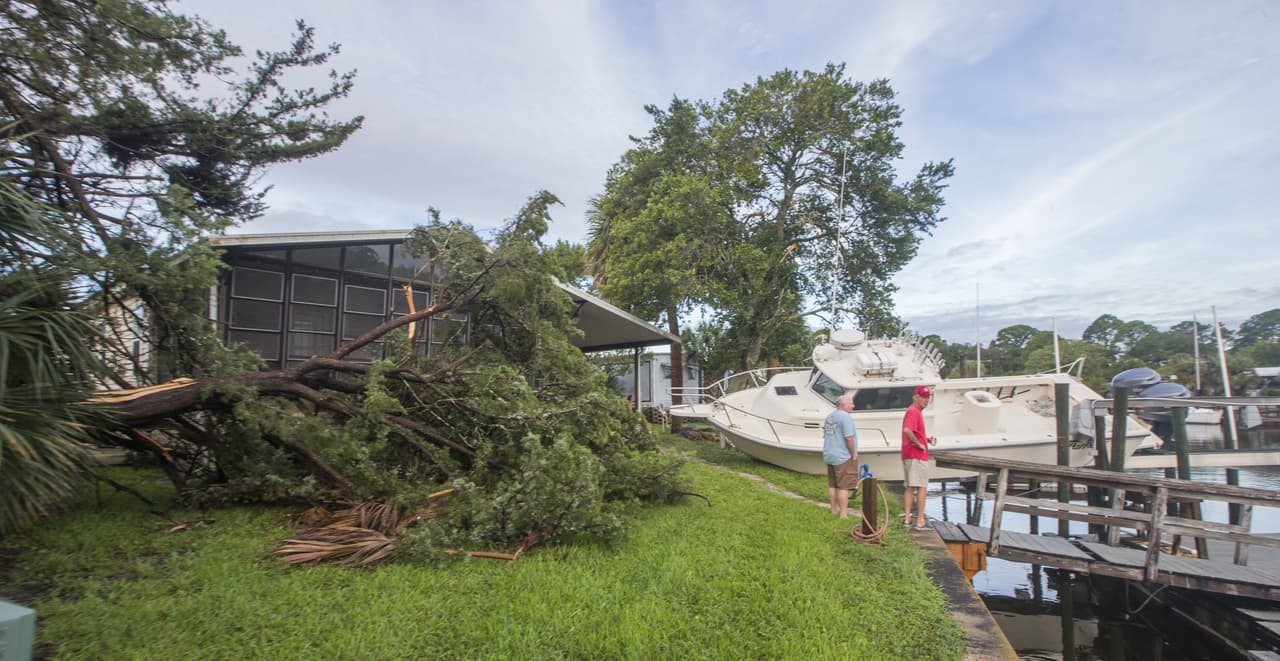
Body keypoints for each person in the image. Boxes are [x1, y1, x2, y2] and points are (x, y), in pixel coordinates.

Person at [901, 385, 936, 529]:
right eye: (923, 397)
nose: (926, 400)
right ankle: (920, 520)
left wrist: (925, 440)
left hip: (909, 453)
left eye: (928, 397)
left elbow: (913, 431)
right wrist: (919, 444)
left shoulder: (914, 411)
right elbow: (908, 430)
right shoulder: (914, 411)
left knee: (910, 486)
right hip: (916, 455)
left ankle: (908, 519)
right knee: (921, 486)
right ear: (916, 397)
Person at [822, 393, 859, 518]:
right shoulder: (845, 417)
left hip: (829, 454)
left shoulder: (829, 417)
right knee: (844, 486)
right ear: (844, 405)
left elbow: (825, 435)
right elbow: (849, 437)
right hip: (842, 456)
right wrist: (853, 454)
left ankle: (833, 510)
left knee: (832, 485)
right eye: (851, 403)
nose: (853, 406)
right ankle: (843, 515)